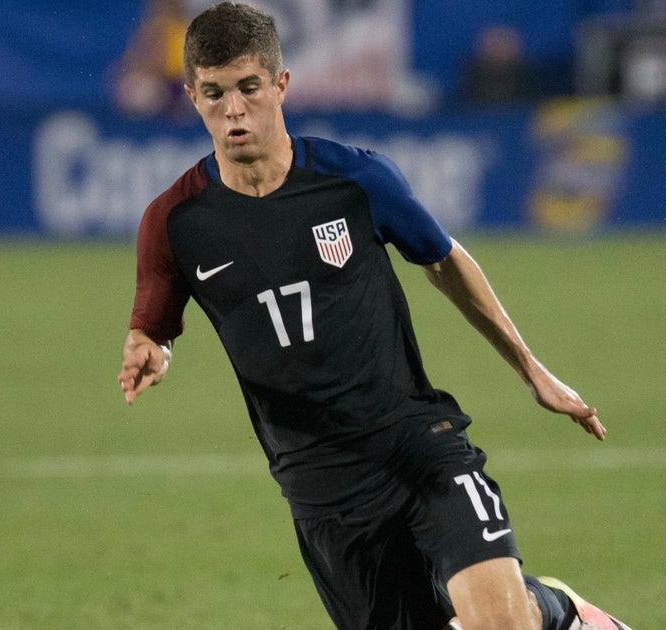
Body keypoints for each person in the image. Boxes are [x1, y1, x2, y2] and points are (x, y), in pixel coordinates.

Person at [117, 4, 632, 629]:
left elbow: (443, 259)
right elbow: (155, 323)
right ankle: (536, 601)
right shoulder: (175, 222)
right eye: (214, 93)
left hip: (417, 449)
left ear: (280, 85)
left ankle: (564, 613)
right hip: (321, 491)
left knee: (502, 624)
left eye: (249, 88)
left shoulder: (352, 179)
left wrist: (532, 371)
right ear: (191, 96)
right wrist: (150, 347)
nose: (233, 110)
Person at [113, 0, 192, 118]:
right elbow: (137, 63)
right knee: (136, 90)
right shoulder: (156, 26)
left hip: (188, 86)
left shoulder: (196, 25)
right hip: (167, 85)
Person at [459, 24, 539, 107]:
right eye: (494, 44)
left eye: (506, 43)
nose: (498, 50)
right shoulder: (471, 82)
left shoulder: (532, 81)